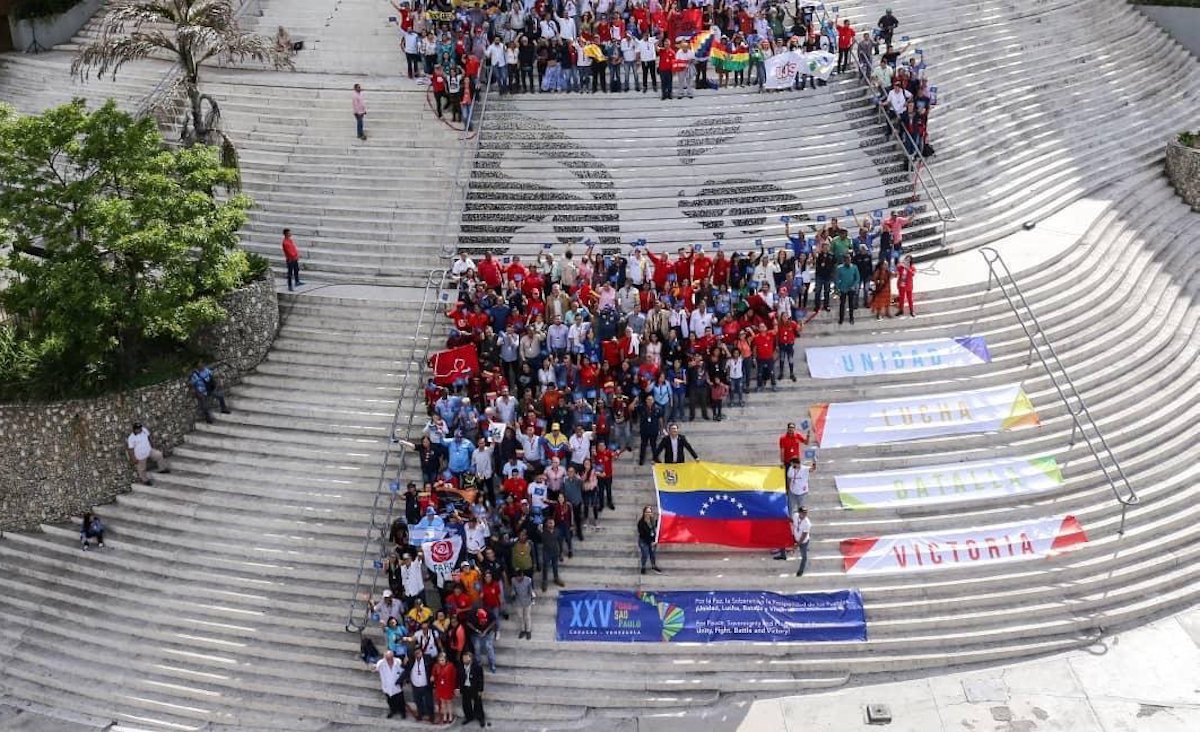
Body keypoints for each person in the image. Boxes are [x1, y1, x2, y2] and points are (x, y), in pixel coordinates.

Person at [126, 421, 169, 485]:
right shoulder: (131, 438)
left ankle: (162, 469)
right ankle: (145, 480)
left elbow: (149, 438)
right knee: (142, 469)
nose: (140, 429)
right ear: (134, 429)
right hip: (140, 455)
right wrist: (133, 459)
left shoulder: (144, 430)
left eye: (140, 428)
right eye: (138, 429)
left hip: (149, 450)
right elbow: (131, 450)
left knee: (159, 455)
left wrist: (152, 446)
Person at [407, 646, 435, 722]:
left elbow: (434, 668)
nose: (418, 654)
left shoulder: (428, 658)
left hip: (426, 686)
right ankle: (420, 714)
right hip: (416, 686)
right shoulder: (411, 660)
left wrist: (433, 676)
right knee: (418, 702)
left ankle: (431, 716)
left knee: (429, 702)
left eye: (419, 652)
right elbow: (406, 671)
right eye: (416, 653)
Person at [376, 650, 406, 719]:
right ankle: (393, 711)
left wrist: (402, 680)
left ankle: (403, 713)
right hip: (387, 687)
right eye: (387, 658)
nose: (389, 660)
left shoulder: (398, 662)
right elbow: (375, 667)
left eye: (390, 658)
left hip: (397, 687)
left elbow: (403, 671)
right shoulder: (381, 663)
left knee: (401, 701)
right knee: (390, 701)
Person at [459, 649, 486, 728]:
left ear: (470, 658)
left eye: (466, 658)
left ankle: (481, 718)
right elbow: (459, 678)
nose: (464, 660)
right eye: (463, 658)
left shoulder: (477, 666)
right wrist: (459, 688)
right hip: (465, 687)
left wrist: (480, 690)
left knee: (478, 704)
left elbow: (481, 679)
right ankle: (469, 717)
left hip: (474, 688)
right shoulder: (461, 666)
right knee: (466, 704)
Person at [432, 652, 458, 724]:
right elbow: (434, 674)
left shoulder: (451, 666)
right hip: (440, 687)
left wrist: (455, 688)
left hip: (448, 687)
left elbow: (454, 677)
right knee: (443, 702)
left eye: (442, 660)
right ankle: (444, 715)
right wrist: (433, 677)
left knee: (449, 702)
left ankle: (450, 716)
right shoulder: (436, 666)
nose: (441, 662)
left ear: (446, 660)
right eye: (440, 660)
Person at [835, 254, 861, 325]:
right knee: (842, 304)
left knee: (851, 304)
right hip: (843, 288)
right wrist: (838, 288)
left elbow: (857, 278)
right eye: (847, 260)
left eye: (849, 260)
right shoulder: (839, 268)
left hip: (851, 288)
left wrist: (854, 285)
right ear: (844, 261)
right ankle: (841, 319)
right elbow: (837, 279)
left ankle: (851, 318)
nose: (848, 261)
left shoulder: (854, 267)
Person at [540, 516, 564, 592]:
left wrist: (561, 552)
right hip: (546, 552)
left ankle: (556, 578)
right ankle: (544, 582)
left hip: (555, 551)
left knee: (555, 566)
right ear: (546, 524)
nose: (551, 524)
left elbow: (560, 542)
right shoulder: (542, 532)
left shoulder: (557, 531)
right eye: (549, 522)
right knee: (545, 567)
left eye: (552, 522)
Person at [511, 570, 535, 639]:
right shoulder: (513, 580)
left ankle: (528, 631)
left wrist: (532, 596)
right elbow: (513, 589)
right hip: (518, 601)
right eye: (517, 577)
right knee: (520, 617)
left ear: (522, 576)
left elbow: (531, 590)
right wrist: (513, 594)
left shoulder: (528, 580)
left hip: (527, 601)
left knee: (527, 616)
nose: (518, 579)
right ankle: (522, 630)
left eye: (519, 577)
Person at [637, 505, 662, 574]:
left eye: (649, 512)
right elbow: (643, 535)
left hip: (652, 541)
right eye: (647, 512)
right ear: (644, 513)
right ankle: (643, 567)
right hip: (644, 541)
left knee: (653, 554)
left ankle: (653, 566)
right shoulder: (641, 523)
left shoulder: (652, 520)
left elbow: (655, 528)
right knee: (645, 554)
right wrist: (650, 542)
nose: (648, 513)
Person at [792, 507, 812, 577]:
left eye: (805, 513)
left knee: (804, 557)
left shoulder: (807, 523)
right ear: (799, 512)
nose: (804, 514)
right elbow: (792, 521)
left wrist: (796, 545)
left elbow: (803, 537)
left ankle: (800, 571)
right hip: (795, 537)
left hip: (803, 542)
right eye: (803, 512)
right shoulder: (795, 515)